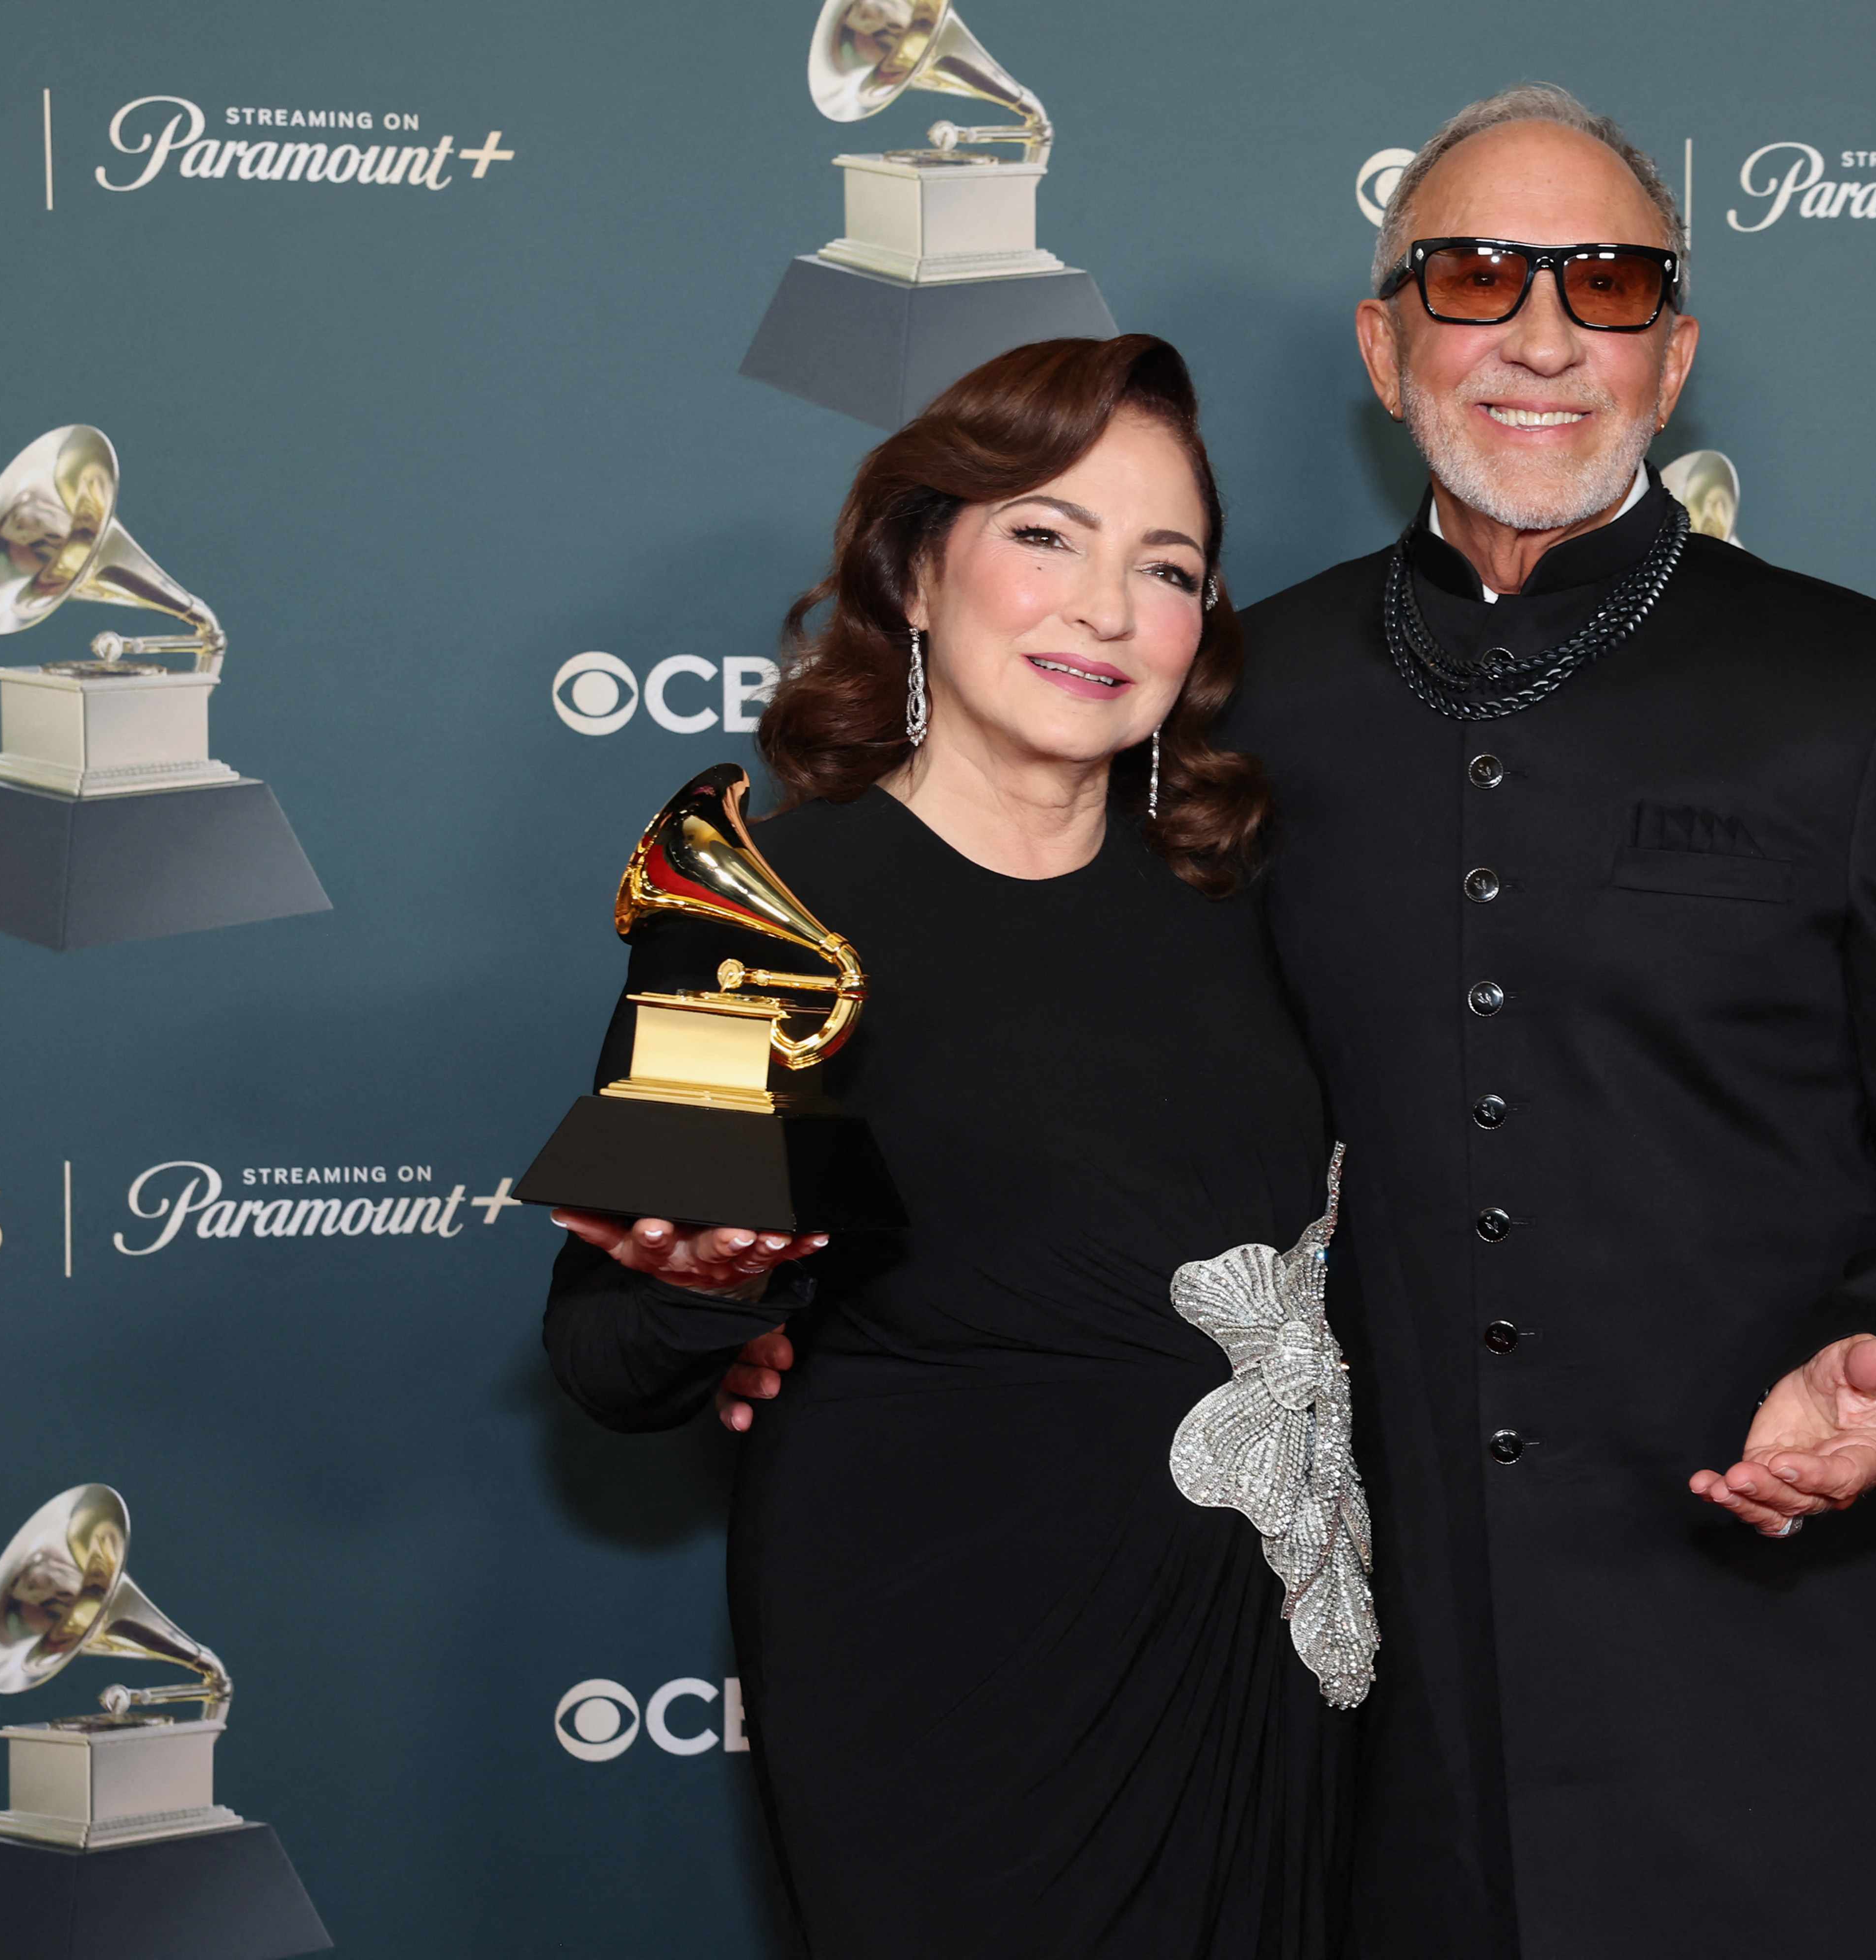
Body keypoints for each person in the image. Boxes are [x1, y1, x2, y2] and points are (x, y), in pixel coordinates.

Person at [1227, 85, 1876, 1958]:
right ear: (1387, 347)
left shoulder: (1859, 687)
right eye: (1474, 277)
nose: (1542, 335)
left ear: (1673, 357)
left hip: (1754, 1650)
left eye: (1606, 283)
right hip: (1372, 1687)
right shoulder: (1236, 693)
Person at [543, 335, 1361, 1959]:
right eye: (1046, 536)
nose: (1106, 608)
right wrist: (715, 1290)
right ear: (918, 573)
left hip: (1261, 1648)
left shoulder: (1255, 894)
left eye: (1168, 567)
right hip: (941, 1673)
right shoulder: (761, 917)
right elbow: (606, 1352)